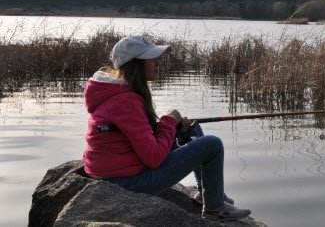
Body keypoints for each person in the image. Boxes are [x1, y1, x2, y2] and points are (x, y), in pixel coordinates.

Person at [82, 35, 250, 221]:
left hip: (115, 174)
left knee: (192, 130)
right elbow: (153, 158)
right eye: (152, 59)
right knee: (212, 145)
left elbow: (138, 138)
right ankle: (215, 209)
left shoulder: (117, 93)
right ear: (136, 64)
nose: (158, 63)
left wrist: (172, 127)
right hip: (125, 183)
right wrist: (169, 122)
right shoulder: (126, 101)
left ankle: (206, 195)